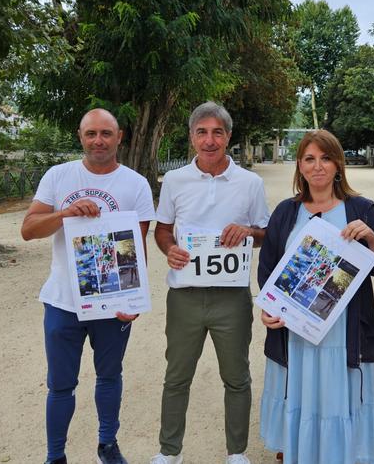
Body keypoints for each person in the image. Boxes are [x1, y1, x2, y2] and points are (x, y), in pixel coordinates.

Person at [21, 108, 155, 464]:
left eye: (106, 134)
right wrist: (64, 213)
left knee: (109, 377)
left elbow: (137, 248)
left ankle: (107, 445)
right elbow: (28, 229)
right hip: (63, 301)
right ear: (80, 136)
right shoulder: (59, 176)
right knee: (60, 385)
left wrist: (134, 298)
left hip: (111, 303)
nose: (98, 140)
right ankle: (55, 456)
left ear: (119, 137)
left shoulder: (135, 184)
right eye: (91, 133)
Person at [258, 130, 374, 464]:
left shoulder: (360, 208)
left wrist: (373, 239)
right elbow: (268, 269)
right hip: (296, 330)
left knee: (337, 397)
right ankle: (296, 451)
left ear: (338, 165)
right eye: (309, 159)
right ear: (300, 167)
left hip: (343, 330)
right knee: (301, 395)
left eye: (326, 158)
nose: (318, 166)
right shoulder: (286, 212)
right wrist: (266, 309)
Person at [150, 102, 270, 464]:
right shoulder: (174, 180)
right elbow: (163, 229)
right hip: (184, 294)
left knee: (236, 377)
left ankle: (236, 451)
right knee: (176, 376)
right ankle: (169, 451)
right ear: (191, 137)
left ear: (228, 136)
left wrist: (248, 231)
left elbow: (264, 232)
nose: (209, 140)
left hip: (231, 297)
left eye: (217, 132)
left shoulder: (250, 183)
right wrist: (169, 249)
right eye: (202, 132)